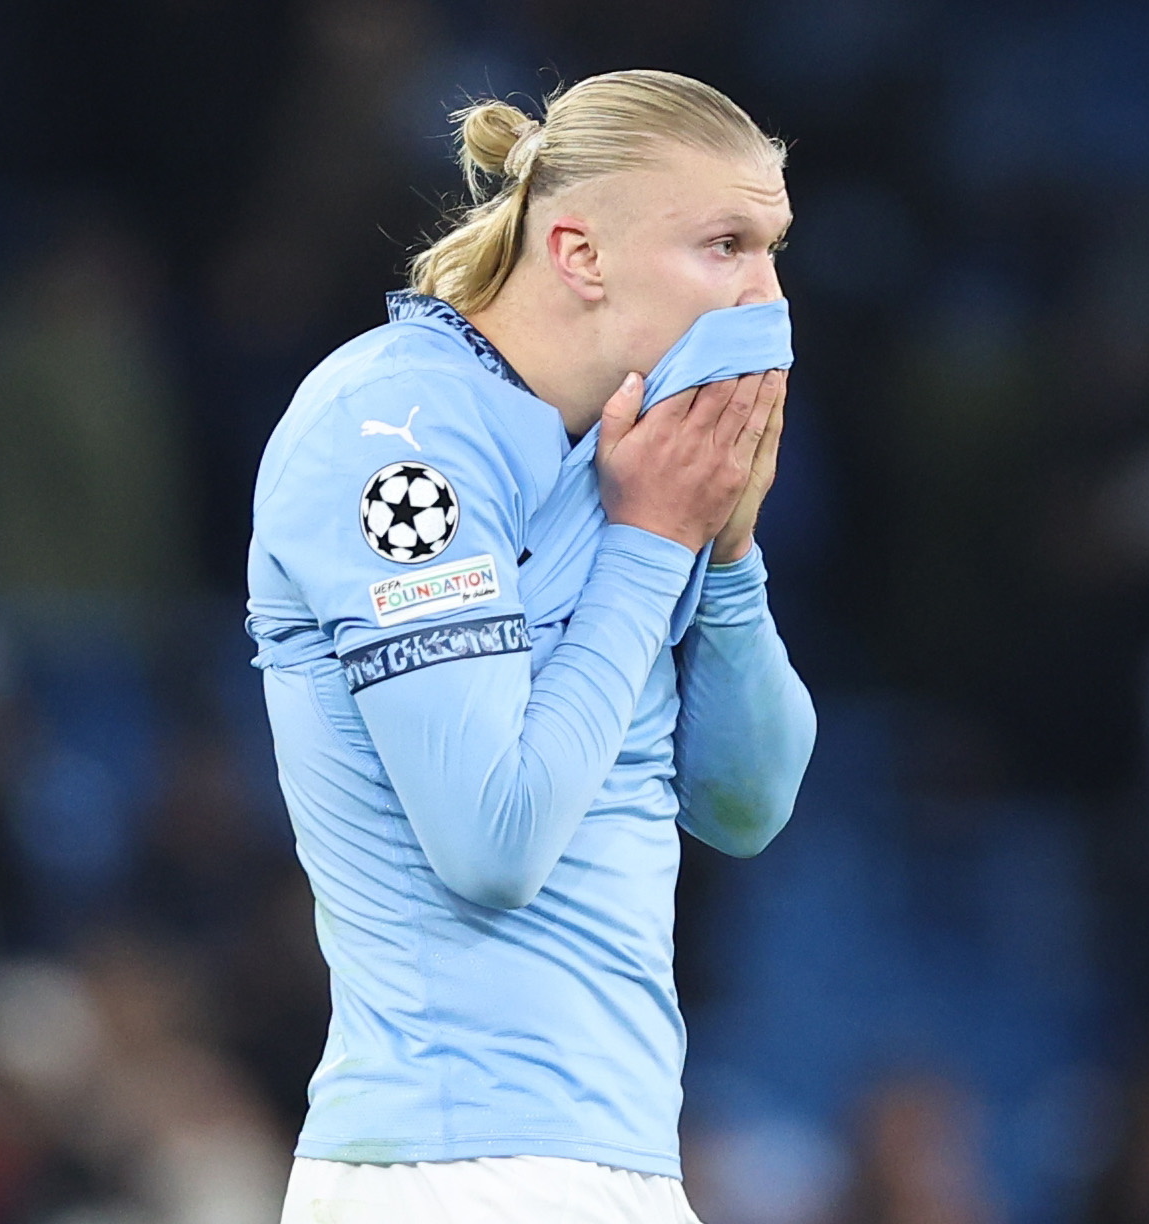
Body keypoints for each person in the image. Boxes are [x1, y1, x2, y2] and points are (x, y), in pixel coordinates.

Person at [246, 69, 816, 1223]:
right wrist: (653, 542)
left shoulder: (626, 460)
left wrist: (725, 549)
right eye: (723, 245)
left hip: (615, 1161)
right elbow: (490, 840)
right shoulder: (395, 434)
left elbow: (745, 806)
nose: (766, 292)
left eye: (772, 246)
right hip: (446, 1167)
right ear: (578, 252)